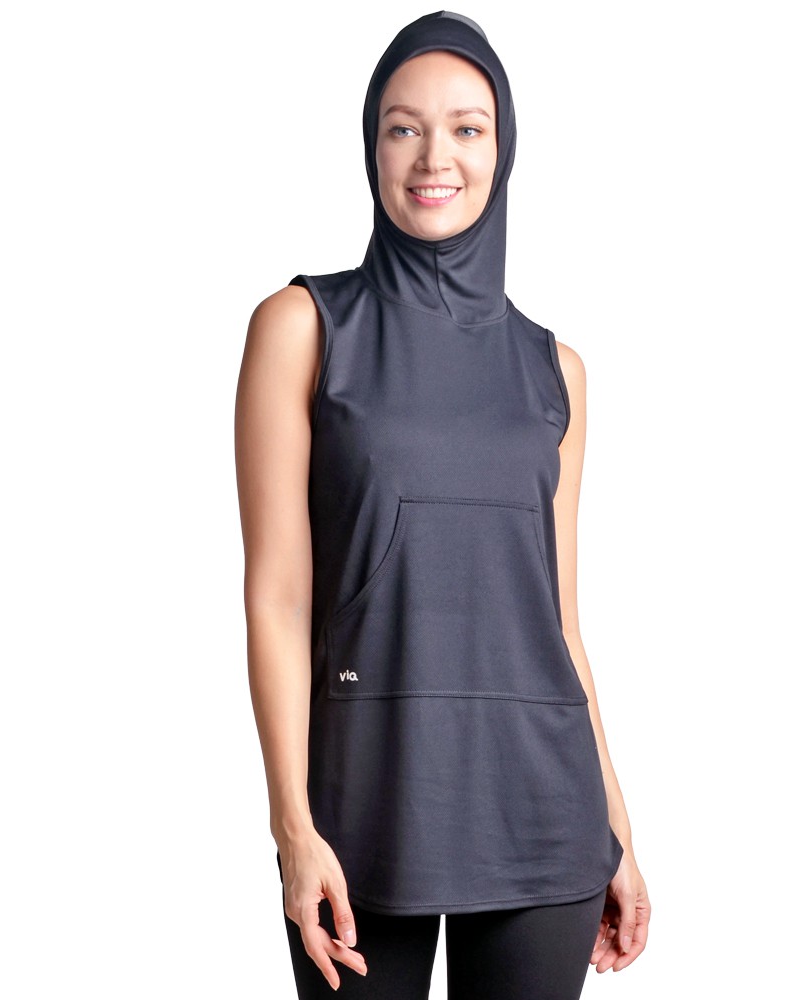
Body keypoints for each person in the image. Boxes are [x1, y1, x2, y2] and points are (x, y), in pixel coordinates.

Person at [236, 11, 650, 998]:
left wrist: (619, 829)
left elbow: (558, 626)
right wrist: (292, 829)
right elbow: (277, 599)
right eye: (403, 127)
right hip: (365, 809)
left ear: (503, 150)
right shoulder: (303, 327)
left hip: (545, 810)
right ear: (371, 145)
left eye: (468, 127)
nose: (435, 156)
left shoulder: (554, 369)